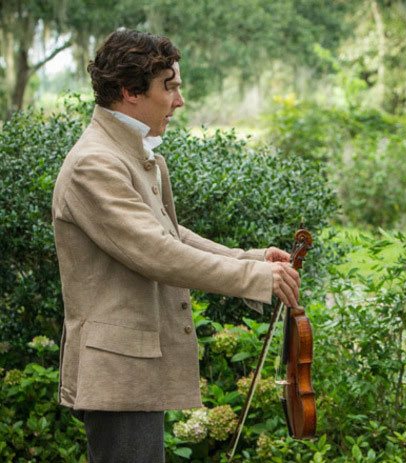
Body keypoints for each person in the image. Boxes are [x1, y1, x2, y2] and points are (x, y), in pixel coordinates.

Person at [52, 29, 300, 463]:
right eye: (169, 87)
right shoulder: (95, 162)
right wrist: (254, 278)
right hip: (118, 372)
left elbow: (171, 234)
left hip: (134, 367)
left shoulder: (127, 152)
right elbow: (156, 252)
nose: (179, 101)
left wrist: (251, 259)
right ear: (130, 92)